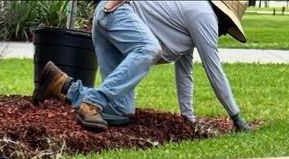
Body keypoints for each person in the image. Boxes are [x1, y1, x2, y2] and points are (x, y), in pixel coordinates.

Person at [33, 0, 253, 134]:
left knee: (121, 111)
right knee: (149, 49)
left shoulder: (195, 15)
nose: (225, 32)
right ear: (223, 15)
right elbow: (214, 70)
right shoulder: (204, 15)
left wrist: (188, 117)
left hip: (110, 22)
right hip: (116, 14)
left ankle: (62, 84)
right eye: (228, 25)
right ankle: (92, 103)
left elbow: (185, 71)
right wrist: (236, 117)